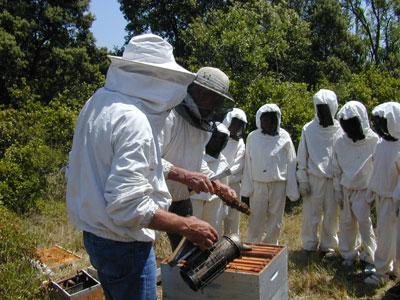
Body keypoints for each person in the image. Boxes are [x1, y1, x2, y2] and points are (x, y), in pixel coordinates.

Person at [66, 34, 219, 300]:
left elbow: (117, 164)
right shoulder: (133, 120)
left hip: (95, 236)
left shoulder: (98, 102)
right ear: (153, 77)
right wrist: (187, 225)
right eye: (167, 78)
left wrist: (183, 175)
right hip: (124, 244)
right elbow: (128, 207)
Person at [159, 67, 238, 250]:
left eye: (220, 101)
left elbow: (195, 160)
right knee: (143, 249)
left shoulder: (203, 125)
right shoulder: (168, 115)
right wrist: (184, 176)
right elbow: (149, 160)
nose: (216, 106)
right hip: (153, 197)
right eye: (214, 99)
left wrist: (217, 185)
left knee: (188, 253)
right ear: (200, 91)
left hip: (180, 199)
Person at [241, 103, 299, 244]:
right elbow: (248, 162)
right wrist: (247, 187)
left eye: (273, 119)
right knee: (256, 215)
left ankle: (271, 243)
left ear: (278, 120)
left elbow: (291, 162)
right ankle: (253, 243)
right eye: (265, 119)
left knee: (276, 217)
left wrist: (292, 189)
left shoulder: (284, 136)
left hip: (279, 183)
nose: (269, 122)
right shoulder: (252, 137)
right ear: (259, 120)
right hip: (258, 183)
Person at [297, 89, 342, 256]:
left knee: (331, 214)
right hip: (313, 178)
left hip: (333, 179)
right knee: (311, 214)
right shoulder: (308, 128)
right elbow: (302, 155)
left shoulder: (340, 128)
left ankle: (328, 245)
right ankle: (309, 244)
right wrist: (302, 179)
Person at [333, 101, 377, 267]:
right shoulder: (340, 142)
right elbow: (336, 169)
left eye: (353, 125)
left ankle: (371, 258)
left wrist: (374, 192)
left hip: (366, 190)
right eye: (346, 126)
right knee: (346, 224)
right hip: (346, 189)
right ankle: (348, 254)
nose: (350, 130)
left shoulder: (374, 141)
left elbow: (378, 167)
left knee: (366, 225)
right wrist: (337, 190)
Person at [364, 102, 400, 286]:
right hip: (382, 197)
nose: (378, 127)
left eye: (381, 122)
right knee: (384, 235)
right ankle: (388, 269)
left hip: (393, 200)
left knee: (389, 237)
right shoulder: (380, 144)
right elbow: (375, 169)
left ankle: (382, 274)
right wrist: (371, 193)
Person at [191, 123, 230, 235]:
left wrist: (225, 207)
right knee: (194, 231)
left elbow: (225, 186)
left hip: (214, 203)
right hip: (195, 200)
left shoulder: (223, 162)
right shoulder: (197, 155)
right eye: (215, 137)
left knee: (213, 231)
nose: (217, 141)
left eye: (221, 139)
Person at [221, 108, 247, 235]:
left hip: (233, 185)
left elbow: (237, 165)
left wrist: (222, 177)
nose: (237, 127)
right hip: (217, 185)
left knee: (233, 217)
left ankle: (232, 243)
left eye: (240, 125)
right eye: (235, 123)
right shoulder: (218, 137)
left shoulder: (241, 143)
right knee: (216, 215)